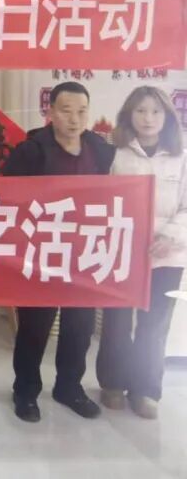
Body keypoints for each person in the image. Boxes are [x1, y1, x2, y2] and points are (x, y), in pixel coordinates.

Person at [5, 81, 114, 423]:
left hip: (84, 252)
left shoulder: (101, 150)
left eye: (82, 111)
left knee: (79, 326)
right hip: (41, 252)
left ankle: (69, 387)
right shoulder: (30, 151)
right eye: (66, 111)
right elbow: (8, 197)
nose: (74, 119)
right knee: (35, 327)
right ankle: (25, 391)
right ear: (50, 111)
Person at [96, 86, 187, 419]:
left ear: (168, 117)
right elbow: (100, 200)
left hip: (167, 254)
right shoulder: (115, 153)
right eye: (141, 111)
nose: (148, 119)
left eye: (156, 111)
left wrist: (171, 236)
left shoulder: (181, 155)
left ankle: (146, 390)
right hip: (121, 252)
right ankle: (112, 384)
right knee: (117, 321)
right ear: (128, 115)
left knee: (155, 324)